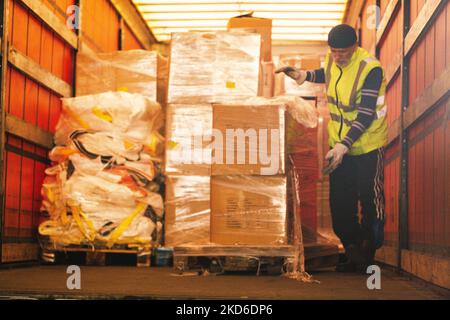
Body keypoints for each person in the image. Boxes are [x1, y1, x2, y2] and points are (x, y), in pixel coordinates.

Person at [276, 24, 388, 273]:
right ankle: (352, 249)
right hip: (340, 145)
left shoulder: (370, 68)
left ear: (355, 46)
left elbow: (366, 112)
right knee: (340, 201)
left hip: (368, 144)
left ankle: (369, 251)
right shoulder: (333, 59)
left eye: (343, 52)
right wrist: (303, 76)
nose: (338, 57)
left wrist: (343, 145)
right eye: (334, 52)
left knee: (370, 200)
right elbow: (327, 73)